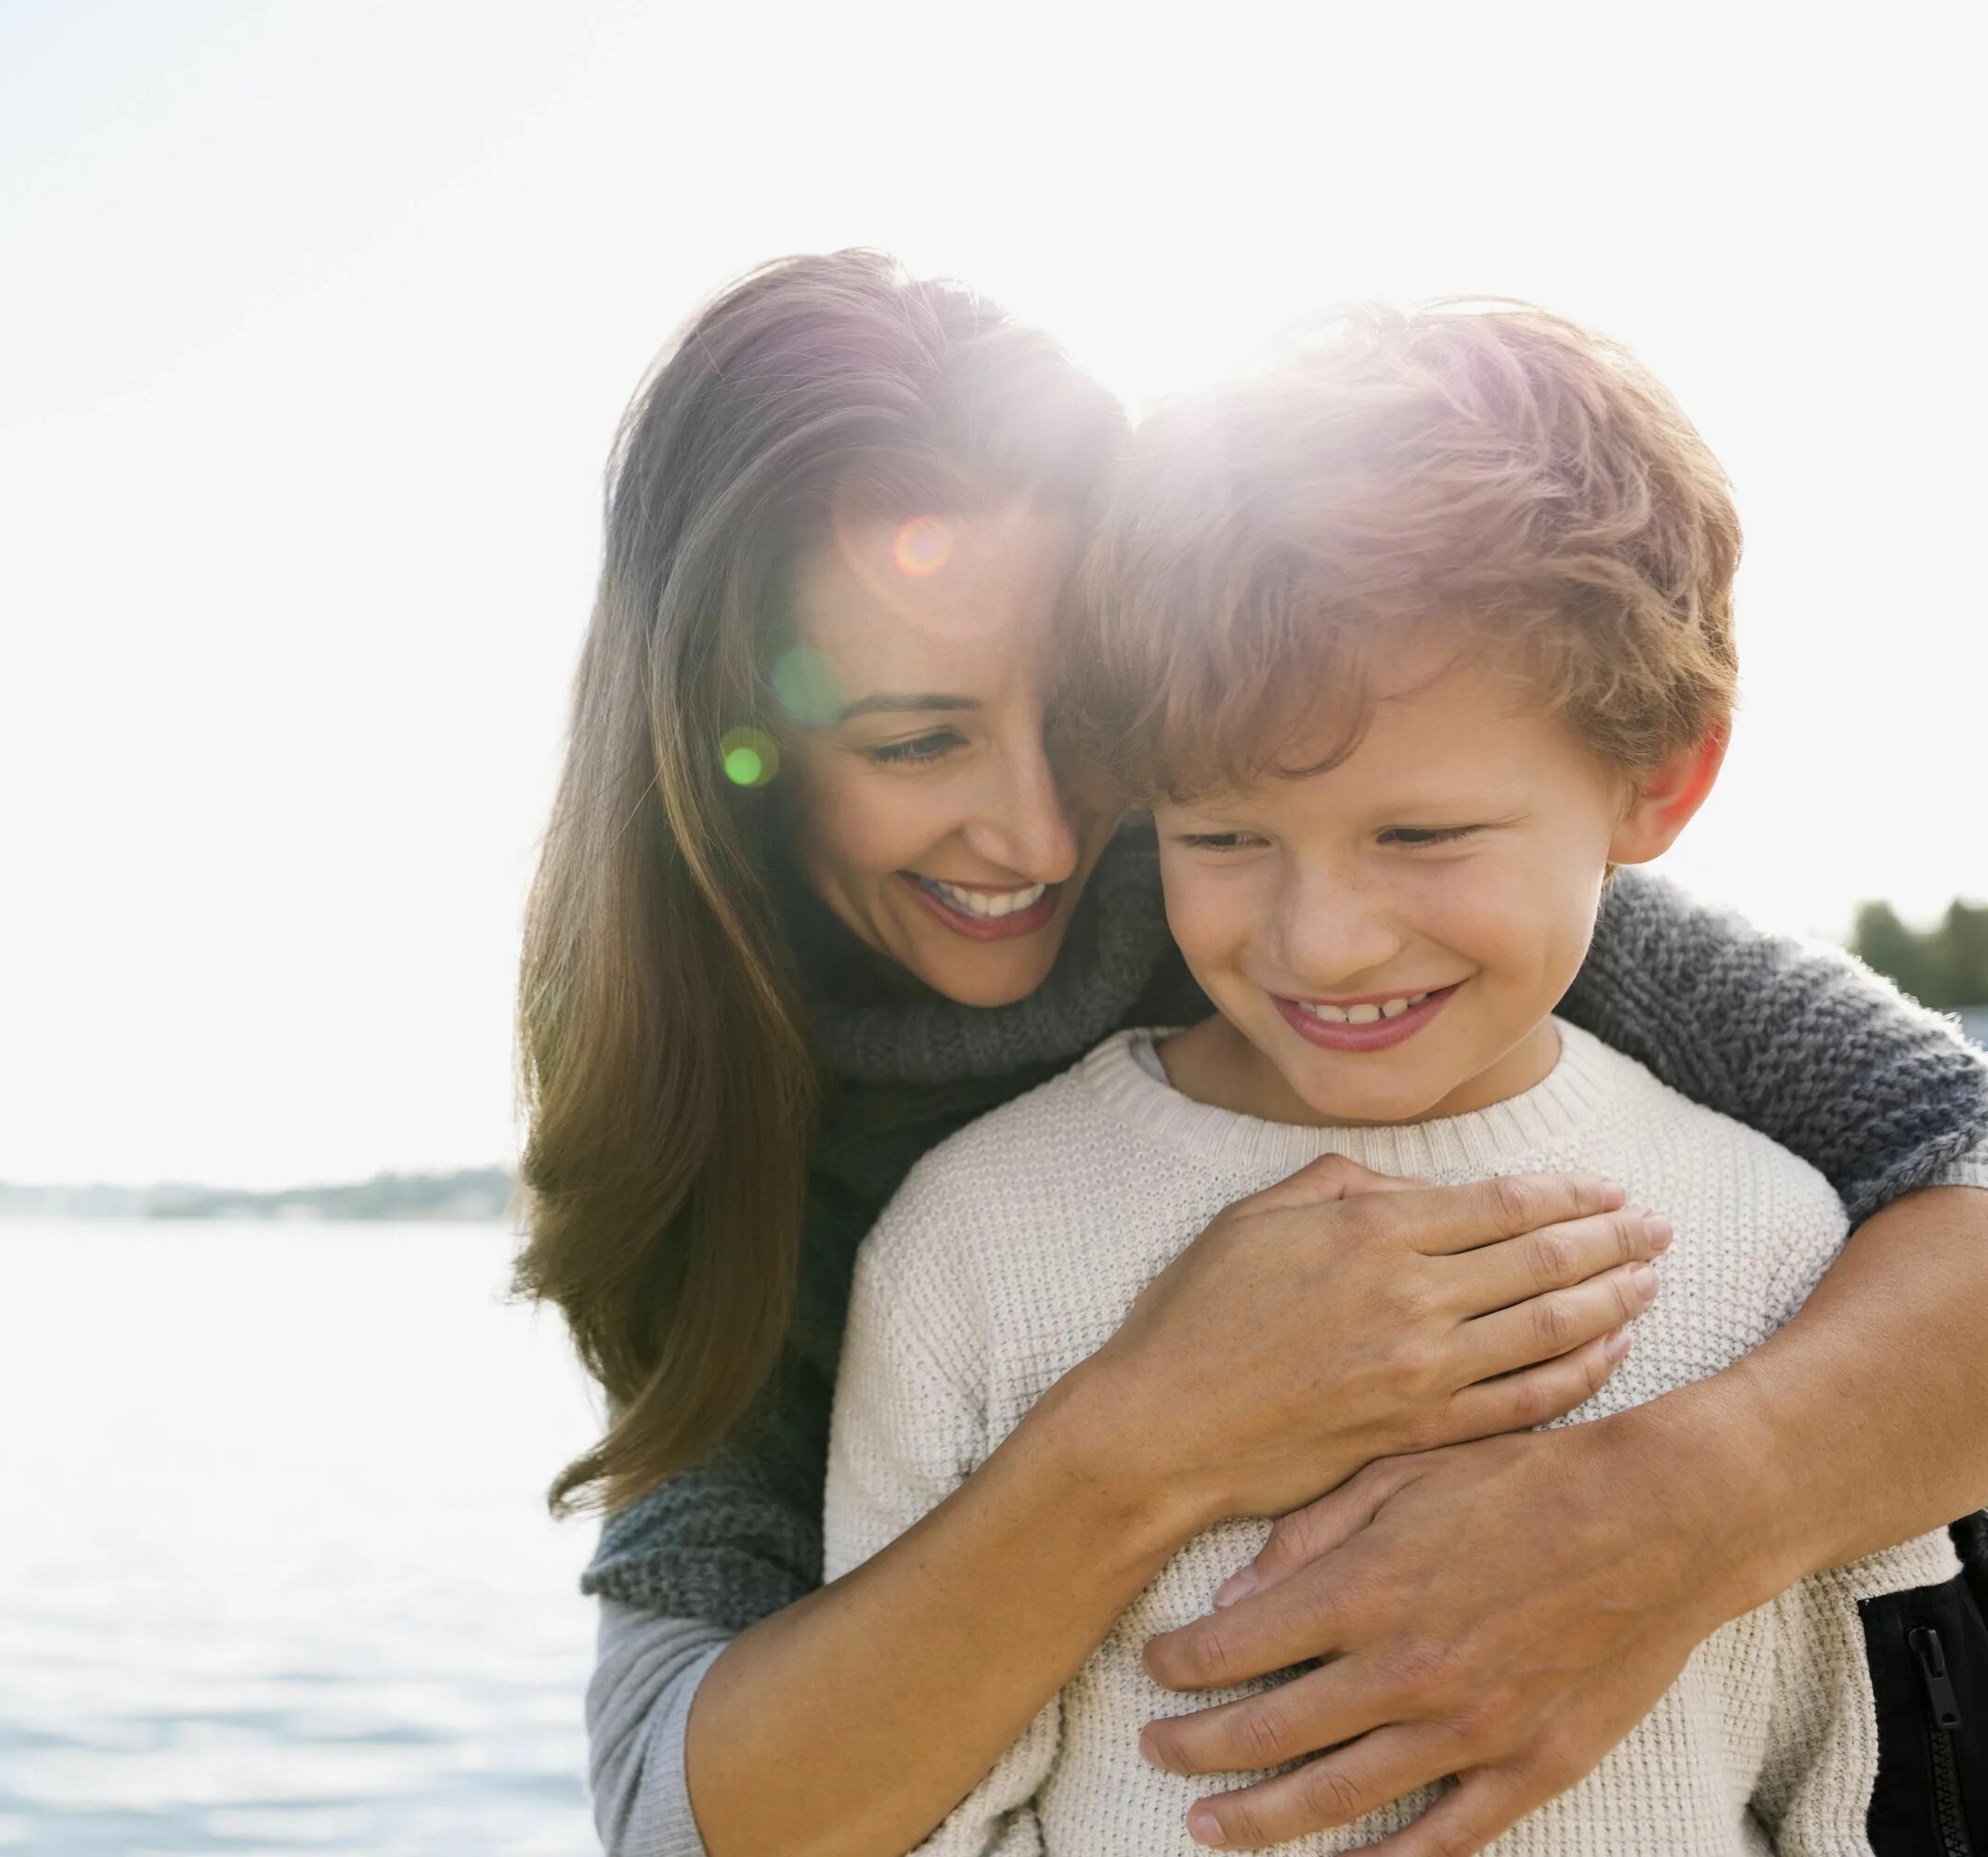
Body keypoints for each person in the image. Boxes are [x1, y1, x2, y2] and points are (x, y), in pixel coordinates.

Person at [513, 251, 1988, 1857]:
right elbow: (682, 1810)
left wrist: (1666, 1516)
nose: (1043, 829)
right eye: (918, 739)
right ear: (731, 753)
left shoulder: (1306, 851)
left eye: (1092, 717)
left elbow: (1961, 1162)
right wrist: (1142, 1440)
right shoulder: (747, 1138)